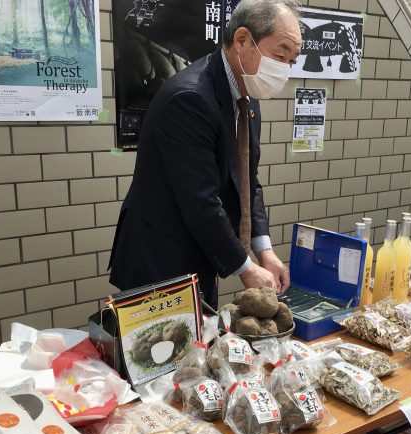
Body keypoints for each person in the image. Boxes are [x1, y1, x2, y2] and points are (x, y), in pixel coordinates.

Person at [108, 0, 301, 307]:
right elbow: (200, 202)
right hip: (160, 264)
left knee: (199, 348)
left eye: (292, 61)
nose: (285, 70)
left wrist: (264, 250)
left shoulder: (247, 99)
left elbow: (247, 182)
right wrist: (246, 267)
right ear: (241, 40)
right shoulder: (190, 99)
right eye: (280, 55)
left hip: (201, 260)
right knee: (157, 352)